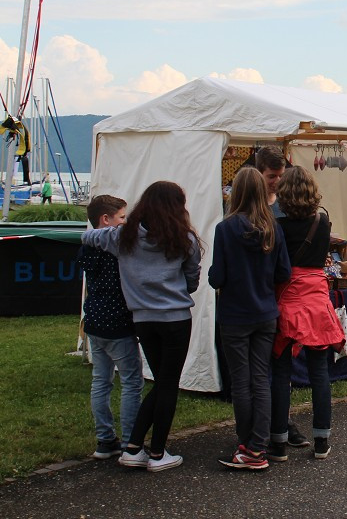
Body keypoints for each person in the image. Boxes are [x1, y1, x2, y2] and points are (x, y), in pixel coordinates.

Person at [82, 181, 202, 472]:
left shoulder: (123, 236)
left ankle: (134, 447)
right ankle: (158, 453)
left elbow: (87, 238)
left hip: (142, 319)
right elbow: (192, 278)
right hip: (175, 319)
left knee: (161, 382)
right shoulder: (183, 238)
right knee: (167, 384)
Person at [210, 167, 291, 470]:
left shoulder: (225, 228)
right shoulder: (274, 228)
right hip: (265, 312)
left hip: (234, 314)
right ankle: (257, 443)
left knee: (241, 381)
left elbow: (217, 277)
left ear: (237, 192)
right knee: (261, 379)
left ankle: (249, 445)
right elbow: (283, 273)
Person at [270, 167, 345, 461]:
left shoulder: (277, 225)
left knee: (280, 371)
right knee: (320, 373)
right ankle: (322, 441)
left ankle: (277, 442)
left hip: (287, 298)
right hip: (316, 299)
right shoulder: (322, 221)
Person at [80, 195, 143, 461]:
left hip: (94, 320)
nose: (125, 222)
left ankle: (105, 439)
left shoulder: (86, 246)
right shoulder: (116, 246)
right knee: (131, 382)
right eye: (122, 217)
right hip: (118, 321)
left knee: (101, 381)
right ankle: (130, 441)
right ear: (105, 220)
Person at [256, 145, 309, 450]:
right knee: (262, 367)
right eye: (271, 175)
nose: (276, 180)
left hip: (284, 292)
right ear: (259, 172)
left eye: (280, 175)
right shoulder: (248, 204)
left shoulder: (285, 206)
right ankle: (266, 426)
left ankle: (284, 422)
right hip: (262, 293)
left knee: (281, 365)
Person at [256, 146, 287, 218]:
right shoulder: (247, 204)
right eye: (272, 177)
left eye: (281, 176)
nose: (278, 181)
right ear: (259, 174)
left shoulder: (287, 203)